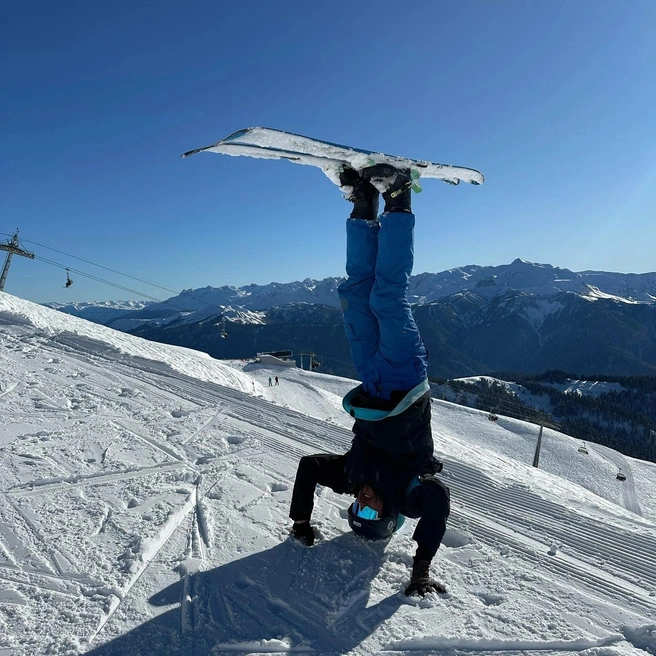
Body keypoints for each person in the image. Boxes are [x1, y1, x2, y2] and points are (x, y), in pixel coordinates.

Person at [289, 164, 450, 597]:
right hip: (404, 377)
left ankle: (363, 206)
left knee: (355, 294)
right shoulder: (408, 494)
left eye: (355, 505)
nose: (361, 498)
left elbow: (308, 467)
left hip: (371, 379)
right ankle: (399, 199)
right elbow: (438, 502)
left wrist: (301, 522)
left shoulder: (350, 476)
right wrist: (420, 569)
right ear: (389, 514)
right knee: (387, 294)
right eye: (369, 509)